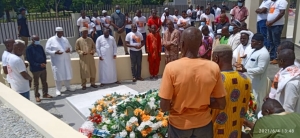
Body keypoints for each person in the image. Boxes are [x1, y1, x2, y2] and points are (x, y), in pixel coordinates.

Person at [159, 27, 226, 138]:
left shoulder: (171, 68)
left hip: (179, 126)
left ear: (182, 43)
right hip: (204, 124)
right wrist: (202, 102)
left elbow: (164, 106)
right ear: (200, 43)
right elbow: (221, 104)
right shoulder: (213, 67)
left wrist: (180, 105)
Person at [211, 44, 251, 138]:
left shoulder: (215, 80)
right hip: (235, 131)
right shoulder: (245, 79)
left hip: (216, 132)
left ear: (216, 58)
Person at [237, 33, 270, 113]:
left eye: (253, 42)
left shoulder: (264, 54)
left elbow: (261, 69)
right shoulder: (253, 50)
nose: (251, 43)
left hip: (257, 83)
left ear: (259, 42)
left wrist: (246, 70)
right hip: (249, 80)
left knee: (256, 101)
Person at [45, 27, 75, 96]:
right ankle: (58, 89)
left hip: (66, 60)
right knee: (58, 75)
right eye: (60, 33)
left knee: (67, 73)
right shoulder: (51, 40)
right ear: (56, 32)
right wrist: (55, 52)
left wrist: (69, 50)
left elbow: (70, 47)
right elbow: (47, 50)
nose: (61, 34)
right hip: (57, 62)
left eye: (62, 32)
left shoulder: (65, 39)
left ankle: (68, 87)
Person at [26, 35, 52, 102]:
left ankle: (45, 93)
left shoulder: (40, 47)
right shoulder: (29, 48)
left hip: (43, 67)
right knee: (36, 83)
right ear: (32, 40)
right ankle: (37, 96)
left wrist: (44, 63)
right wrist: (39, 65)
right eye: (36, 40)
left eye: (38, 39)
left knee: (44, 82)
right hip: (35, 69)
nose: (38, 41)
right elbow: (30, 60)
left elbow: (44, 55)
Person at [267, 0, 288, 64]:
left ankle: (277, 58)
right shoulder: (273, 2)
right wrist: (267, 21)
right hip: (270, 25)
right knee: (271, 41)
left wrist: (272, 22)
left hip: (277, 25)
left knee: (276, 42)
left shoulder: (282, 1)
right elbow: (271, 12)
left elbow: (282, 13)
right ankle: (272, 56)